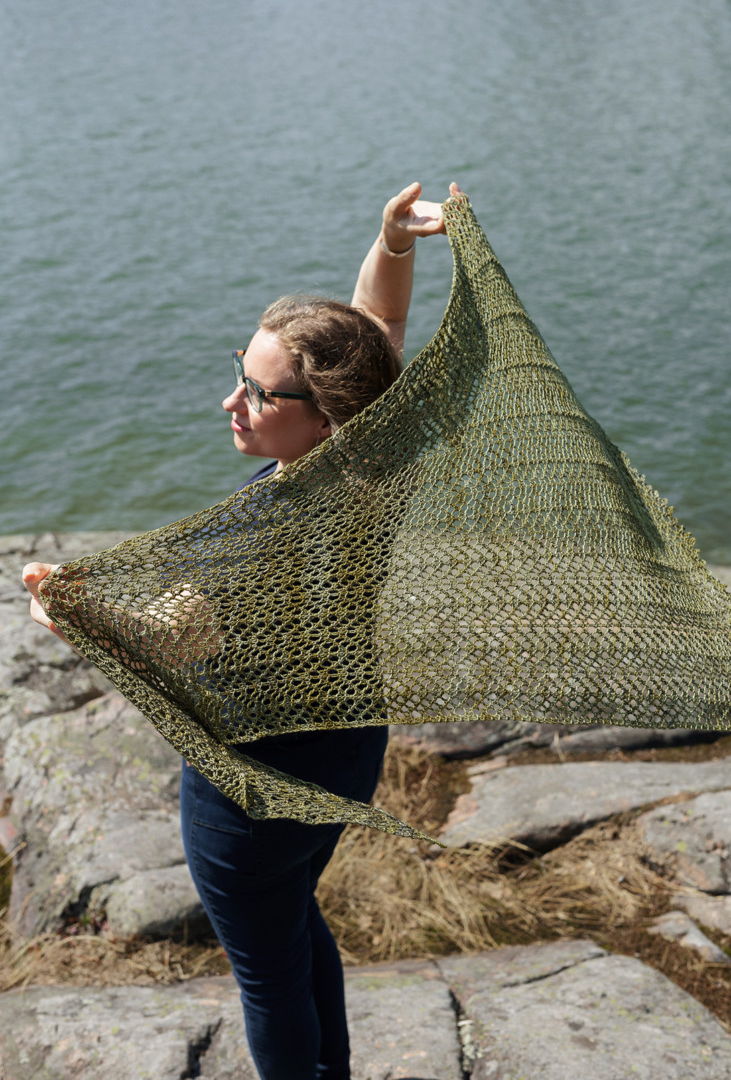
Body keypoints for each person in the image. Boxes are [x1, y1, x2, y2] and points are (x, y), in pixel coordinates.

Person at [23, 180, 460, 1080]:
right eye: (238, 371)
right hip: (345, 745)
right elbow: (374, 336)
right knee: (295, 921)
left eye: (257, 395)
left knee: (265, 974)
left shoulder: (261, 528)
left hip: (251, 787)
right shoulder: (375, 457)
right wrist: (394, 244)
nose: (231, 401)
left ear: (323, 411)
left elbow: (174, 638)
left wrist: (66, 606)